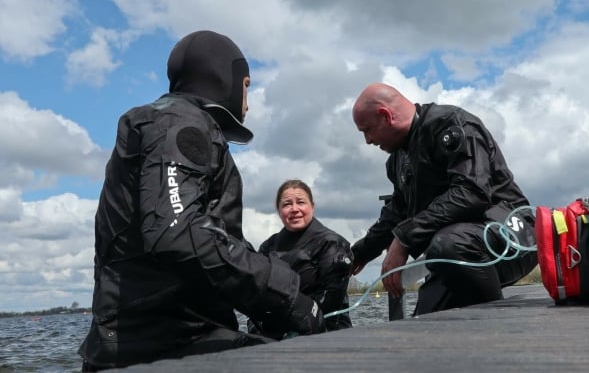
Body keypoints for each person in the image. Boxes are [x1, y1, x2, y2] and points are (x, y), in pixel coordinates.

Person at [78, 30, 325, 371]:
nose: (248, 102)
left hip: (157, 338)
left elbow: (211, 237)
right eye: (247, 86)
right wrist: (283, 294)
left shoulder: (170, 123)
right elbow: (176, 232)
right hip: (160, 345)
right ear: (226, 78)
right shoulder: (179, 123)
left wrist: (272, 297)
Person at [350, 83, 538, 315]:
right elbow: (395, 214)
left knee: (447, 244)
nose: (367, 140)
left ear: (386, 115)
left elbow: (472, 193)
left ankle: (494, 325)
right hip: (452, 251)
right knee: (424, 323)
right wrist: (358, 254)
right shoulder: (398, 160)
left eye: (367, 130)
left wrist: (404, 239)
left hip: (511, 238)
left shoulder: (453, 125)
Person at [249, 179, 354, 339]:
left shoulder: (332, 243)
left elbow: (329, 302)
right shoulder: (267, 247)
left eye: (301, 202)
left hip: (326, 333)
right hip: (274, 335)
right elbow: (255, 294)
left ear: (312, 206)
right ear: (278, 210)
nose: (294, 209)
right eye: (286, 204)